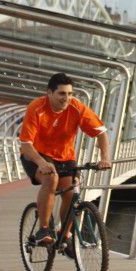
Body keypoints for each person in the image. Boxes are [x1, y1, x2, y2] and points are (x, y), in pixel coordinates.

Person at [19, 72, 112, 246]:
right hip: (36, 154)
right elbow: (26, 145)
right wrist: (41, 162)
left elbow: (101, 132)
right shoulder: (37, 107)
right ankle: (44, 229)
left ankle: (65, 234)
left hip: (65, 157)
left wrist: (105, 158)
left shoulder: (77, 107)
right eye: (62, 93)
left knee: (72, 192)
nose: (67, 98)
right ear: (49, 93)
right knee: (51, 178)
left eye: (70, 94)